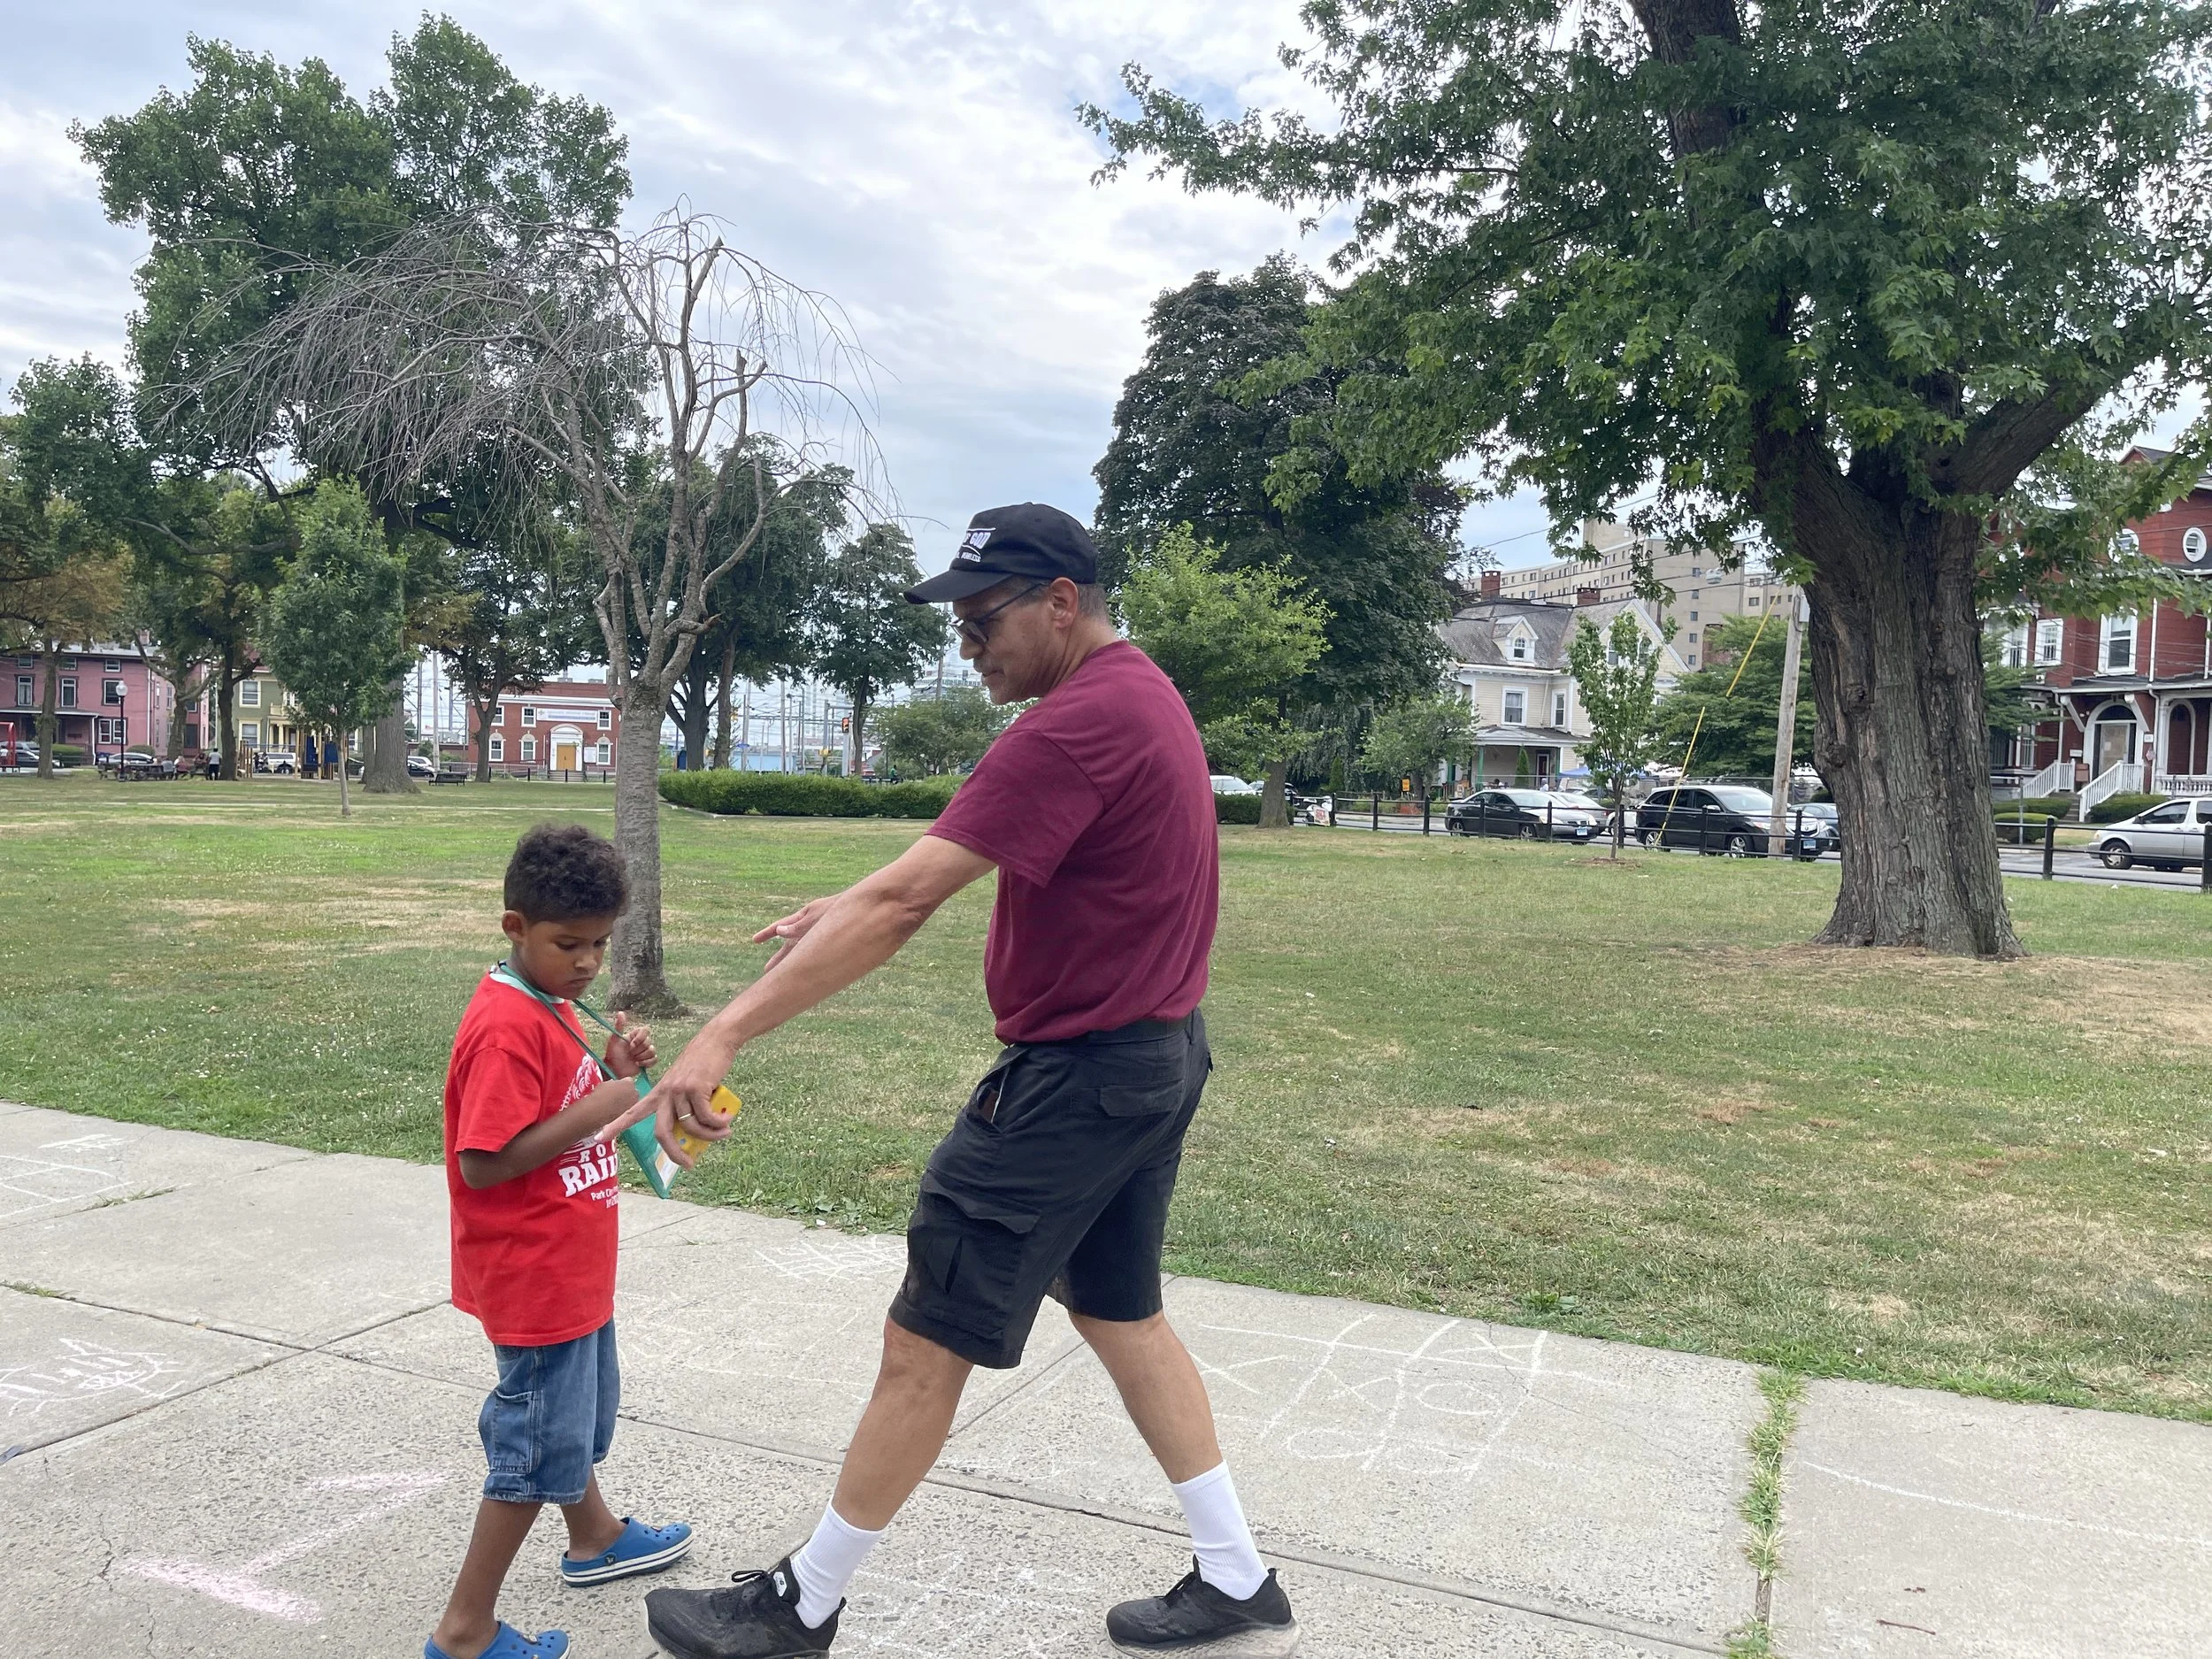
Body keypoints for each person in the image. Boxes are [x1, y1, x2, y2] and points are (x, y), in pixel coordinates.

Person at [611, 503, 1298, 1659]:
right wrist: (850, 898)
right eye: (960, 623)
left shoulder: (1072, 725)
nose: (967, 644)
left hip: (1076, 1082)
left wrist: (721, 1029)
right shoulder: (1135, 695)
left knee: (925, 1337)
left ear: (1060, 604)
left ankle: (801, 1606)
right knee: (1120, 1310)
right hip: (1155, 1058)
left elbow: (907, 903)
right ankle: (1236, 1575)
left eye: (984, 620)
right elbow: (936, 863)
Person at [427, 823, 695, 1659]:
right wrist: (600, 1104)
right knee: (534, 1445)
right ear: (515, 928)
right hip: (534, 1275)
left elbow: (565, 1111)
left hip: (568, 1267)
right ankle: (465, 1630)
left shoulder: (545, 1004)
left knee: (563, 1422)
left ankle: (596, 1534)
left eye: (600, 944)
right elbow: (484, 1162)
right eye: (567, 943)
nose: (586, 962)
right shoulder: (505, 1025)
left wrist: (610, 1068)